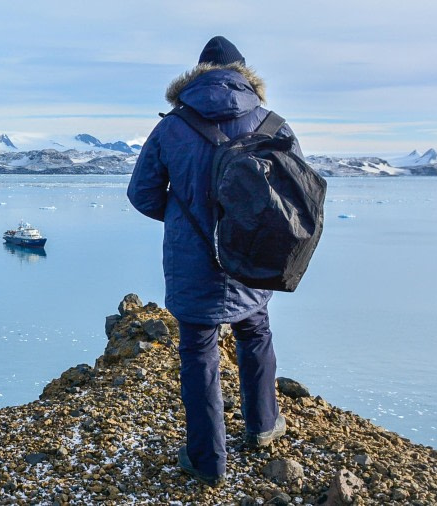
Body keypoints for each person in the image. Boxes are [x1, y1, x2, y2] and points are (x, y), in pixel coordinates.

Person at [126, 36, 306, 486]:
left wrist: (184, 214)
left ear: (199, 72)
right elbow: (298, 196)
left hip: (194, 259)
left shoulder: (172, 126)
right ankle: (263, 425)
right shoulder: (272, 123)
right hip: (252, 255)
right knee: (255, 330)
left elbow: (142, 194)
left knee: (199, 352)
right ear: (245, 74)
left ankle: (208, 461)